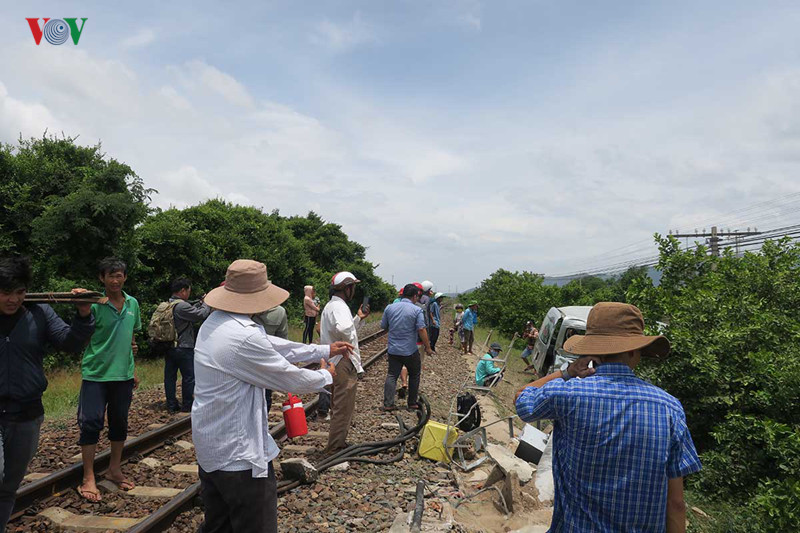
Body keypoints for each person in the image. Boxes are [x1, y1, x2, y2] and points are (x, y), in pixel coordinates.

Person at [193, 259, 352, 533]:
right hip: (239, 457)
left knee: (218, 525)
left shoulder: (216, 322)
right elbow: (288, 377)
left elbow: (272, 345)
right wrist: (325, 376)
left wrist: (322, 350)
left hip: (211, 448)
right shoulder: (243, 336)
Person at [515, 302, 701, 533]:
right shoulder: (670, 408)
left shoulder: (567, 394)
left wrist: (567, 372)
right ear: (634, 351)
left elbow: (521, 398)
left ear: (592, 349)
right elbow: (675, 503)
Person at [0, 257, 95, 531]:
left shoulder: (39, 312)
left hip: (27, 414)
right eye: (5, 293)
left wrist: (83, 315)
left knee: (8, 487)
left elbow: (69, 343)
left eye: (19, 292)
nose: (13, 299)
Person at [77, 257, 142, 502]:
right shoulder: (95, 304)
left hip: (123, 375)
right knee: (90, 423)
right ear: (101, 278)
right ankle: (88, 476)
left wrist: (133, 369)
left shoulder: (133, 303)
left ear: (125, 277)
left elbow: (132, 337)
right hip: (96, 373)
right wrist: (81, 299)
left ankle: (114, 469)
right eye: (110, 276)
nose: (115, 280)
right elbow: (82, 330)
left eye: (119, 275)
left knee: (119, 422)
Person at [319, 271, 369, 455]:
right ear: (347, 288)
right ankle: (335, 448)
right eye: (353, 287)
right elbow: (344, 329)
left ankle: (338, 443)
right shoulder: (339, 307)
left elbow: (345, 330)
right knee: (343, 407)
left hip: (335, 360)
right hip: (342, 361)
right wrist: (349, 334)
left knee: (339, 405)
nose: (353, 290)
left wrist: (358, 319)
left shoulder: (331, 306)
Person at [381, 284, 432, 411]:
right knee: (414, 374)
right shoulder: (416, 310)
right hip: (410, 350)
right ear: (415, 296)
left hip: (393, 350)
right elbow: (421, 329)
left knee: (392, 375)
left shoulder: (389, 308)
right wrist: (428, 347)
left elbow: (383, 326)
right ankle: (412, 403)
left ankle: (388, 404)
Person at [165, 277, 211, 413]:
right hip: (183, 346)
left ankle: (171, 405)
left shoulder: (168, 304)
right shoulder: (182, 306)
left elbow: (191, 311)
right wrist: (206, 303)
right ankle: (187, 405)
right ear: (183, 291)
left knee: (170, 377)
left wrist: (200, 303)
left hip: (169, 346)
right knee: (189, 377)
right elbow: (201, 314)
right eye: (188, 291)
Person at [252, 303, 290, 412]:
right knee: (266, 399)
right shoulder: (279, 312)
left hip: (245, 361)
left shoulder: (241, 308)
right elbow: (283, 342)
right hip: (266, 363)